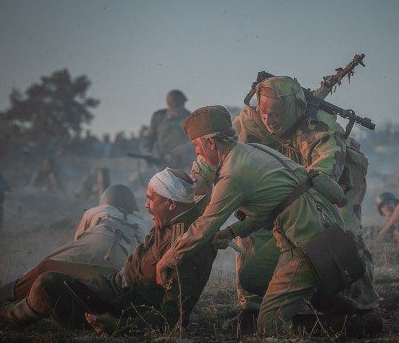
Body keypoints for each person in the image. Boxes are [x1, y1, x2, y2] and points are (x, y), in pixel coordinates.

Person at [156, 105, 375, 336]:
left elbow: (205, 225)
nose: (198, 154)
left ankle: (356, 326)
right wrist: (231, 233)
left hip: (305, 240)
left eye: (197, 147)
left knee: (267, 326)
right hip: (311, 226)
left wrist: (169, 259)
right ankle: (327, 300)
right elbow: (268, 211)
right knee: (253, 277)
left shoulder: (233, 173)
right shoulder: (253, 150)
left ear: (211, 143)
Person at [0, 169, 217, 334]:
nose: (145, 205)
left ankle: (8, 315)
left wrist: (119, 325)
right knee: (51, 273)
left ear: (171, 203)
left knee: (47, 282)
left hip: (121, 304)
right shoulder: (172, 220)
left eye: (151, 199)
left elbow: (173, 318)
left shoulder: (185, 247)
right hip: (115, 285)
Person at [221, 75, 379, 326]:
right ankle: (252, 307)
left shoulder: (322, 128)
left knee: (340, 235)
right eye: (264, 112)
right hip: (287, 180)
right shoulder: (251, 120)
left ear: (294, 109)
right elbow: (227, 151)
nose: (268, 120)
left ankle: (362, 309)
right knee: (253, 230)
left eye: (276, 114)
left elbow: (324, 179)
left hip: (336, 185)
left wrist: (282, 197)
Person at [0, 184, 150, 302]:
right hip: (122, 271)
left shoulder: (99, 211)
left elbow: (79, 238)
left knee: (46, 268)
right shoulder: (143, 224)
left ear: (106, 200)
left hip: (98, 242)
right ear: (131, 206)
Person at [143, 89, 195, 171]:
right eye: (176, 108)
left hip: (184, 162)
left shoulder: (189, 118)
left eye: (181, 106)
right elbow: (150, 137)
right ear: (171, 107)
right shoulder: (159, 117)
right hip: (162, 161)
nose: (180, 110)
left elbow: (195, 140)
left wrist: (183, 148)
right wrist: (148, 152)